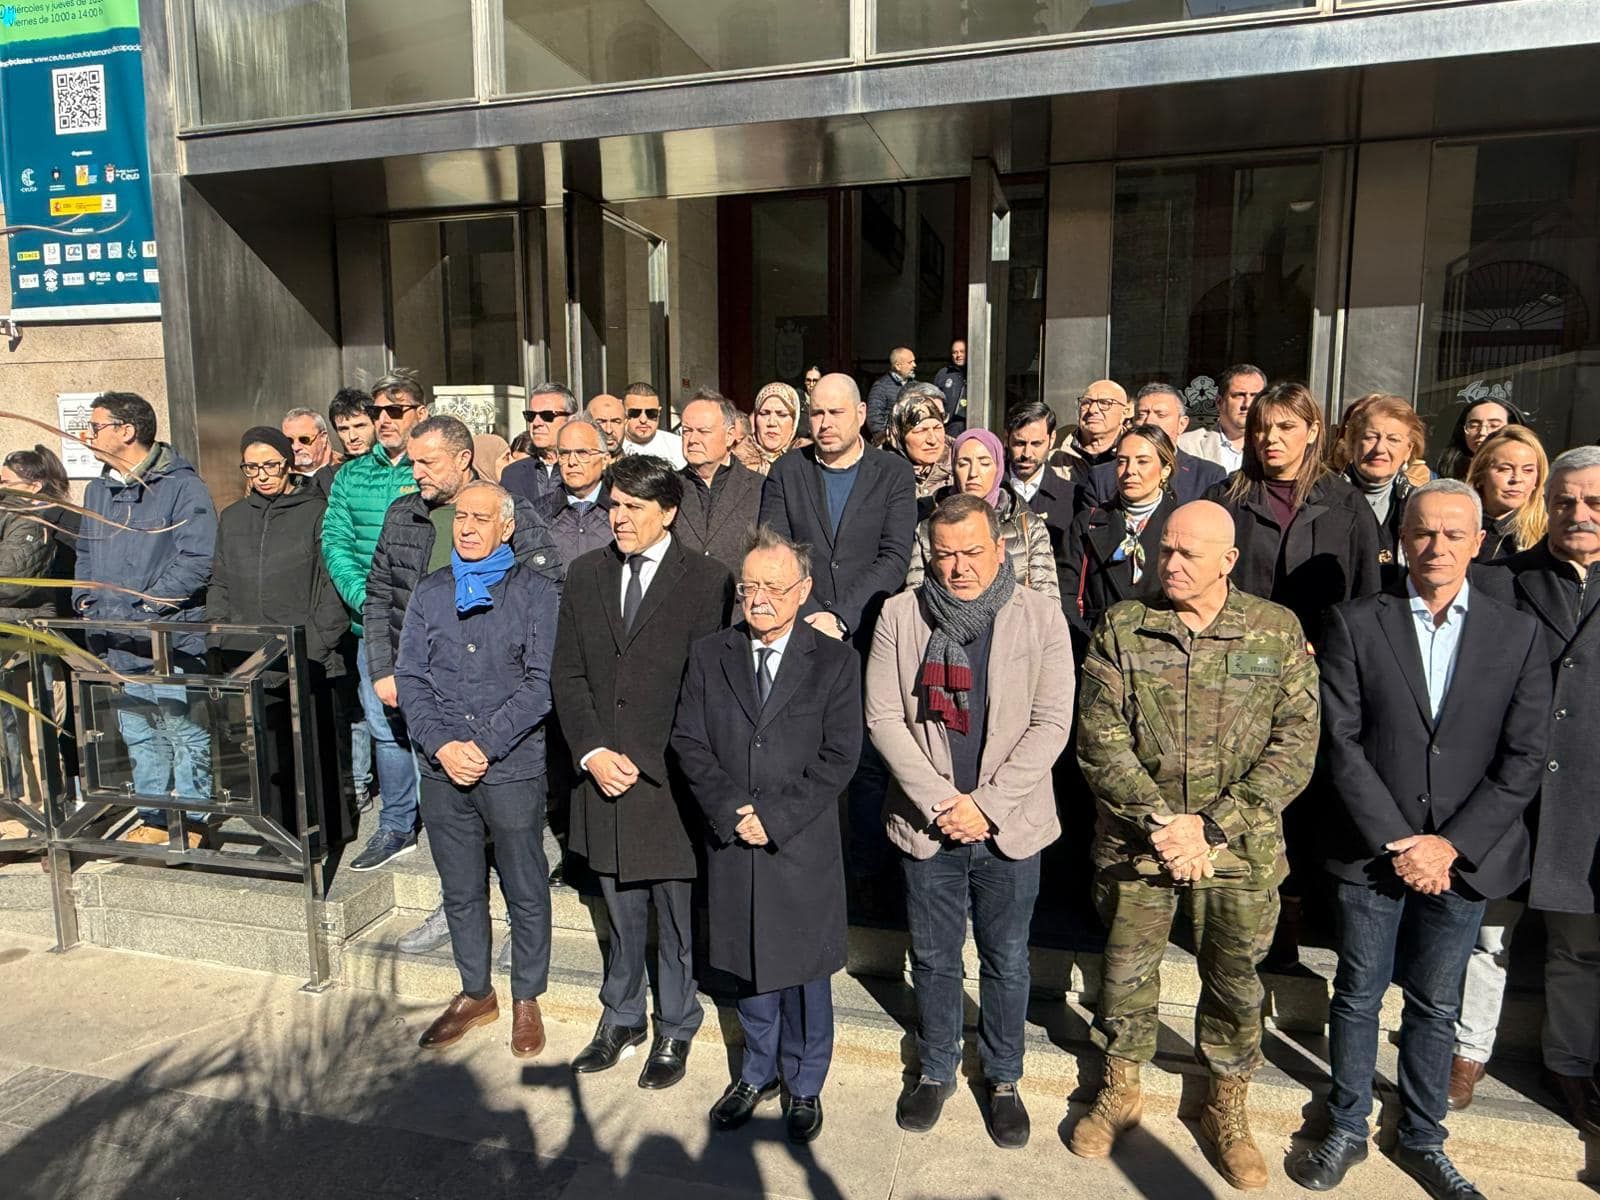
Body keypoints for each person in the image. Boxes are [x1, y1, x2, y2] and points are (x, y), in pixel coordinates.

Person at [1293, 480, 1550, 1199]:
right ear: (1401, 540)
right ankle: (1347, 1124)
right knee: (1357, 994)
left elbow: (1524, 755)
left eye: (1452, 534)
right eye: (1423, 532)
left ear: (1478, 542)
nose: (1436, 546)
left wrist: (1448, 846)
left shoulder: (1517, 634)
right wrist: (1399, 841)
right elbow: (1341, 742)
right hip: (1371, 852)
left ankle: (1423, 1136)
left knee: (1437, 1004)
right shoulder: (1355, 623)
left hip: (1463, 860)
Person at [1072, 500, 1320, 1190]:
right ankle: (1120, 1086)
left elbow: (1295, 746)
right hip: (1139, 846)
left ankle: (1225, 1106)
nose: (1170, 563)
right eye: (1165, 550)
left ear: (1228, 561)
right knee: (1125, 974)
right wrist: (1163, 825)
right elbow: (1099, 740)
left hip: (1237, 852)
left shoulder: (1275, 630)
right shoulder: (1124, 626)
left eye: (1187, 553)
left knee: (1236, 981)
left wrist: (1209, 827)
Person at [867, 493, 1074, 1148]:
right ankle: (936, 1068)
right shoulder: (900, 615)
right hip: (928, 824)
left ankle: (1004, 1077)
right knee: (932, 956)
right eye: (945, 554)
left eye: (972, 552)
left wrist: (984, 805)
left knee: (1006, 958)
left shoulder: (1039, 615)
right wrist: (942, 803)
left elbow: (1052, 724)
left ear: (1000, 548)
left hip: (1009, 825)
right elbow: (883, 719)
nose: (958, 567)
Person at [671, 527, 862, 1145]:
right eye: (749, 586)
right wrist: (733, 811)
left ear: (803, 591)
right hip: (734, 839)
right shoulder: (711, 653)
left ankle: (805, 1083)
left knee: (804, 970)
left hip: (797, 842)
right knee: (749, 965)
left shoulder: (834, 660)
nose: (758, 599)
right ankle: (757, 1072)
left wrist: (773, 817)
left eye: (774, 588)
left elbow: (840, 756)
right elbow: (689, 741)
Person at [552, 454, 734, 1089]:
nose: (619, 517)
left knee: (676, 914)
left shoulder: (708, 580)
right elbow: (567, 674)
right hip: (601, 773)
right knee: (618, 908)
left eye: (634, 507)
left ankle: (676, 1023)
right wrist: (594, 751)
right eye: (614, 505)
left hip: (667, 777)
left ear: (669, 512)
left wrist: (647, 758)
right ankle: (622, 1016)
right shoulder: (585, 573)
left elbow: (705, 684)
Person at [1448, 448, 1600, 1131]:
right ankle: (1467, 1051)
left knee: (1580, 945)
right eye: (1565, 501)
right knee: (1487, 936)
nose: (1578, 514)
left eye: (1594, 502)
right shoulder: (1498, 581)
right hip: (1506, 794)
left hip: (1589, 802)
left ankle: (1570, 1062)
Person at [395, 480, 561, 1060]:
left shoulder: (537, 592)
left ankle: (526, 996)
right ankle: (475, 992)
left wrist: (482, 746)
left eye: (481, 518)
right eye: (461, 517)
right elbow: (411, 676)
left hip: (510, 766)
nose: (466, 527)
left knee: (524, 884)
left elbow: (540, 685)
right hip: (442, 768)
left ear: (506, 528)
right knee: (461, 888)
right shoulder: (432, 591)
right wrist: (443, 745)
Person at [355, 415, 561, 873]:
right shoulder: (403, 513)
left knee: (497, 813)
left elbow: (546, 588)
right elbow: (379, 593)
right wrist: (383, 667)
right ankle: (430, 867)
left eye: (428, 462)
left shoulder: (508, 510)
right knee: (441, 801)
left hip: (496, 688)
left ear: (463, 458)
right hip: (421, 676)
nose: (416, 472)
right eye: (413, 462)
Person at [74, 391, 217, 847]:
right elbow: (84, 553)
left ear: (127, 431)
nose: (88, 436)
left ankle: (194, 821)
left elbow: (197, 559)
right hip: (116, 639)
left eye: (96, 427)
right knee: (138, 732)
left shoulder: (181, 486)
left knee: (182, 730)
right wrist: (85, 601)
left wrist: (148, 607)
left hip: (167, 638)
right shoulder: (98, 490)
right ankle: (154, 818)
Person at [210, 427, 347, 831]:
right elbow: (219, 581)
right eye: (252, 467)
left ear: (288, 463)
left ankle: (320, 835)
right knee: (264, 752)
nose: (262, 475)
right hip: (248, 655)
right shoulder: (233, 517)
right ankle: (276, 834)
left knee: (311, 752)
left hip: (305, 653)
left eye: (270, 465)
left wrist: (316, 644)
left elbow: (332, 584)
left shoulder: (317, 511)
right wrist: (219, 635)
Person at [323, 371, 429, 868]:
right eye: (377, 411)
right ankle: (397, 824)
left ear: (420, 413)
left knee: (436, 725)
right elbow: (336, 542)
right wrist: (368, 601)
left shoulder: (436, 469)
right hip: (375, 627)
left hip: (431, 625)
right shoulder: (350, 476)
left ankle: (447, 822)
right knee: (386, 728)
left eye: (395, 410)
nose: (384, 420)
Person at [1206, 381, 1382, 648]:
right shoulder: (1223, 499)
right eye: (1261, 428)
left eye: (1286, 427)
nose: (1271, 438)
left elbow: (1366, 592)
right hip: (1234, 651)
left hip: (1319, 655)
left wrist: (1335, 647)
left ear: (1312, 431)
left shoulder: (1347, 504)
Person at [758, 372, 918, 648]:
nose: (826, 423)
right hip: (801, 627)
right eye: (817, 413)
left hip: (869, 629)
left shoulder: (894, 473)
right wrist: (810, 616)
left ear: (861, 413)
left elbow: (894, 556)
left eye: (836, 412)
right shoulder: (787, 470)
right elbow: (775, 550)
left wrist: (841, 617)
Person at [906, 429, 1058, 599]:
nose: (973, 473)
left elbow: (1047, 602)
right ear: (953, 468)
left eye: (984, 463)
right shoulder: (928, 527)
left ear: (998, 467)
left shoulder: (1028, 526)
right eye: (963, 463)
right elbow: (915, 599)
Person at [1058, 426, 1178, 638]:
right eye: (1122, 461)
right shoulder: (1088, 523)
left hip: (1161, 646)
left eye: (1142, 461)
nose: (1130, 470)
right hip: (1097, 642)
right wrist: (1088, 643)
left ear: (1165, 470)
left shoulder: (1182, 525)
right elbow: (1064, 592)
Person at [1084, 384, 1225, 506]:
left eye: (1161, 415)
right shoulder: (1102, 477)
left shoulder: (1208, 476)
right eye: (1141, 415)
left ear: (1182, 424)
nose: (1149, 421)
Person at [1339, 393, 1428, 581]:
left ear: (1409, 450)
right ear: (1353, 444)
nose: (1380, 448)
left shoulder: (1419, 504)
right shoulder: (1325, 499)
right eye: (1370, 437)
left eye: (1393, 439)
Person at [675, 393, 764, 572]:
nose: (692, 440)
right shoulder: (668, 487)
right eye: (686, 431)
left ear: (730, 436)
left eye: (703, 431)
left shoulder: (760, 488)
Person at [0, 445, 73, 622]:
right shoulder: (9, 516)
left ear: (34, 487)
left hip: (23, 623)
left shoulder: (31, 523)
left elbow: (10, 583)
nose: (1, 488)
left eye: (5, 483)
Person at [535, 417, 615, 573]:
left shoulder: (622, 510)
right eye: (564, 454)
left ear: (605, 460)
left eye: (582, 453)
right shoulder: (536, 513)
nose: (572, 462)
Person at [1004, 401, 1080, 551]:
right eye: (1019, 443)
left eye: (1036, 444)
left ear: (1052, 440)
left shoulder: (1073, 497)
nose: (1027, 454)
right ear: (1006, 439)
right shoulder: (989, 492)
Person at [1464, 426, 1547, 563]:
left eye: (1528, 470)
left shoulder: (1548, 538)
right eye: (1505, 469)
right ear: (1480, 474)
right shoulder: (1454, 525)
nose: (1517, 479)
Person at [1179, 364, 1265, 474]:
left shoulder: (1274, 445)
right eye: (1239, 395)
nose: (1247, 404)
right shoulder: (1187, 445)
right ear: (1219, 402)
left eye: (1255, 396)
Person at [501, 382, 578, 504]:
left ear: (571, 421)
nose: (536, 423)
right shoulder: (513, 474)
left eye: (547, 415)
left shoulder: (586, 470)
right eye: (531, 416)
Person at [884, 382, 952, 515]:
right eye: (921, 430)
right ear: (899, 434)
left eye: (938, 427)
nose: (932, 440)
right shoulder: (878, 470)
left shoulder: (962, 460)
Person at [1435, 394, 1526, 481]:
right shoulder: (1442, 477)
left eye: (1494, 425)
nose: (1482, 432)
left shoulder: (1525, 475)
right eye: (1474, 426)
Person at [1054, 381, 1129, 475]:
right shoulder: (1053, 453)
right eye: (1086, 402)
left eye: (1104, 403)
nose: (1092, 410)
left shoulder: (1138, 452)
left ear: (1124, 413)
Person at [619, 382, 685, 468]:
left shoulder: (679, 447)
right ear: (623, 412)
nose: (643, 420)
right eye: (635, 413)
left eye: (651, 413)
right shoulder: (613, 446)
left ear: (659, 412)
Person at [750, 382, 808, 475]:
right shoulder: (736, 463)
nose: (772, 423)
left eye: (782, 415)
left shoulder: (809, 464)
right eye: (764, 413)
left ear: (794, 421)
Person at [282, 406, 338, 494]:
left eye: (304, 440)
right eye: (289, 441)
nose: (295, 447)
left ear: (323, 438)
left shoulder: (346, 471)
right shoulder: (277, 475)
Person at [866, 346, 917, 443]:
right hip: (890, 444)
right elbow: (874, 417)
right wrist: (886, 439)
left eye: (914, 361)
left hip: (912, 441)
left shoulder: (915, 386)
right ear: (898, 366)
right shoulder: (881, 386)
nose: (914, 365)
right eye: (910, 362)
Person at [933, 338, 968, 437]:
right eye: (955, 352)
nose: (958, 355)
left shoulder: (977, 372)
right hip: (949, 428)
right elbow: (934, 399)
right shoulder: (943, 374)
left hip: (971, 425)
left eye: (962, 351)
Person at [330, 387, 376, 461]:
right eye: (344, 429)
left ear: (376, 425)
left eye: (359, 426)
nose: (352, 437)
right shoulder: (335, 469)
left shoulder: (393, 465)